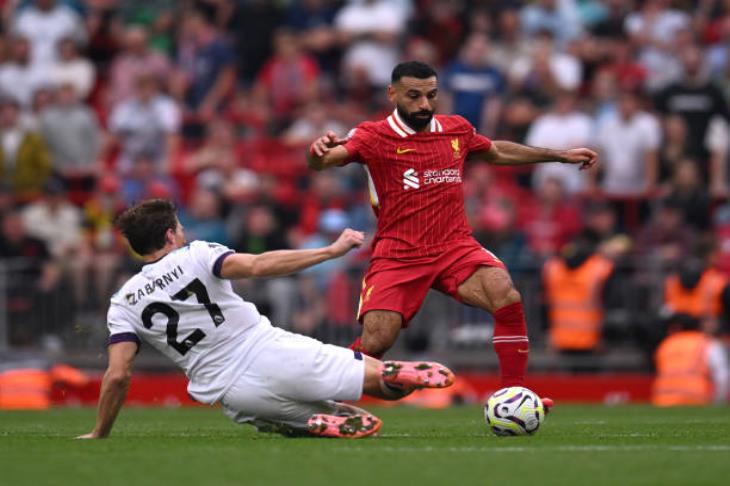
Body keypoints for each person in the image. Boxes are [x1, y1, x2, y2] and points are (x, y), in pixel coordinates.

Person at [307, 61, 596, 393]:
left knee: (505, 295)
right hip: (398, 253)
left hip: (454, 246)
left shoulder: (456, 129)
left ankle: (514, 394)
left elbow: (496, 150)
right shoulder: (373, 136)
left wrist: (559, 155)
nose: (424, 105)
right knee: (376, 341)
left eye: (431, 95)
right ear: (392, 94)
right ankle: (321, 395)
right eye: (414, 96)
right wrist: (317, 153)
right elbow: (324, 160)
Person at [77, 199, 455, 440]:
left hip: (231, 392)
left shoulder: (122, 302)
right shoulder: (196, 254)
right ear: (170, 234)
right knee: (378, 382)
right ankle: (387, 375)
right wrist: (329, 251)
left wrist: (99, 432)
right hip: (270, 350)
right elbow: (258, 265)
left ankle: (315, 421)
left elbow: (119, 374)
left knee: (297, 420)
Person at [652, 313, 728, 406]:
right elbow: (722, 376)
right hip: (697, 399)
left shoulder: (666, 344)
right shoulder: (707, 344)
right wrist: (718, 401)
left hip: (663, 400)